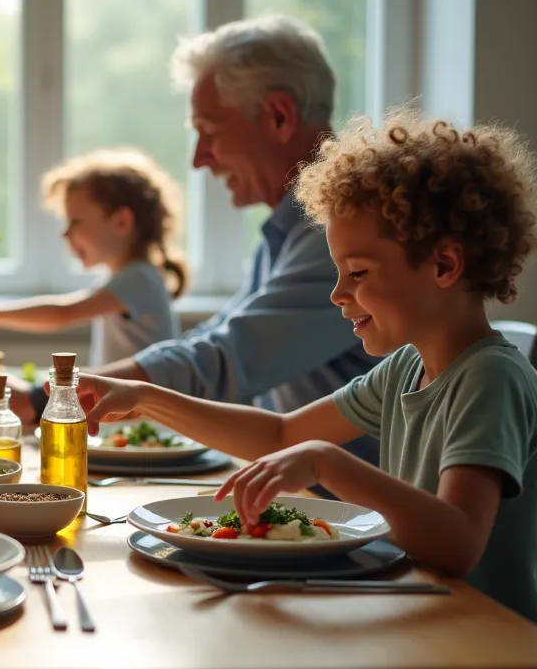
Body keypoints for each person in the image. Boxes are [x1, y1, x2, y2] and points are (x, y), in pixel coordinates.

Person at [69, 110, 537, 622]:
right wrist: (146, 398)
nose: (337, 294)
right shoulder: (407, 367)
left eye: (358, 272)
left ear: (444, 265)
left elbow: (458, 544)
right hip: (420, 611)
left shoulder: (489, 378)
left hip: (485, 633)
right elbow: (281, 434)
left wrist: (325, 461)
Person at [0, 15, 381, 471]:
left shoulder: (334, 238)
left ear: (279, 115)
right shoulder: (286, 234)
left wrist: (50, 396)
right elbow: (215, 336)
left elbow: (225, 359)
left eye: (209, 131)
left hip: (354, 508)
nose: (198, 159)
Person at [0, 148, 187, 367]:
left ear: (121, 222)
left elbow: (63, 313)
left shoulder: (137, 279)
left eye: (75, 222)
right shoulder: (130, 278)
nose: (65, 234)